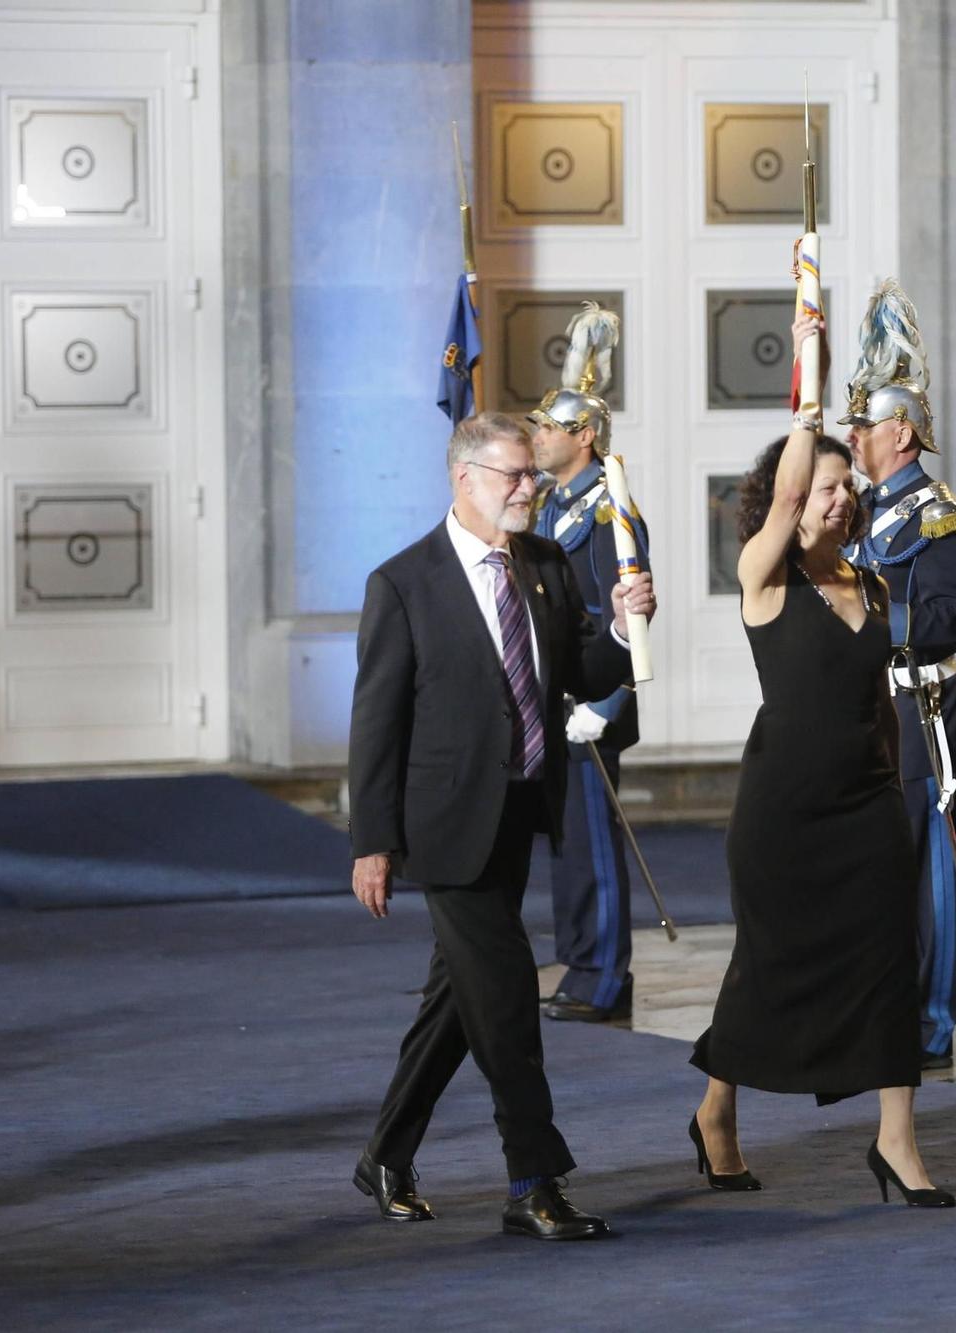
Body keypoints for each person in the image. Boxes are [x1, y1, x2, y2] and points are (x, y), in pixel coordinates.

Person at [347, 411, 658, 1238]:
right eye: (513, 476)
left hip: (520, 809)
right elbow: (375, 723)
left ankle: (385, 1152)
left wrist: (625, 627)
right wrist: (372, 841)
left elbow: (580, 670)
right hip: (440, 826)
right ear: (465, 478)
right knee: (511, 994)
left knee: (462, 996)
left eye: (533, 475)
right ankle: (533, 1179)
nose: (530, 488)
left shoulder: (547, 564)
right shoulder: (403, 583)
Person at [689, 313, 956, 1208]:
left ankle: (897, 1142)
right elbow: (793, 483)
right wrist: (811, 378)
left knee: (890, 965)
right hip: (784, 814)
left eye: (848, 486)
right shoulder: (764, 575)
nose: (839, 498)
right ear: (788, 498)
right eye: (824, 487)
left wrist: (894, 780)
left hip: (866, 806)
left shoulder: (874, 584)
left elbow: (881, 700)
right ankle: (717, 1112)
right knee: (766, 967)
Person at [837, 279, 956, 1072]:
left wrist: (866, 617)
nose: (854, 436)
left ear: (902, 430)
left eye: (864, 423)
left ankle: (932, 1019)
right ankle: (884, 1003)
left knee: (931, 866)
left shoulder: (938, 515)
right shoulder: (859, 512)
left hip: (923, 707)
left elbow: (950, 615)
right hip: (872, 708)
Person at [528, 303, 649, 1024]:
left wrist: (604, 704)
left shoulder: (610, 510)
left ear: (586, 435)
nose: (537, 438)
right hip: (555, 697)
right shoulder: (551, 505)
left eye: (549, 428)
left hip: (591, 704)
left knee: (595, 843)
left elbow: (624, 612)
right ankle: (578, 959)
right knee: (568, 845)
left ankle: (605, 972)